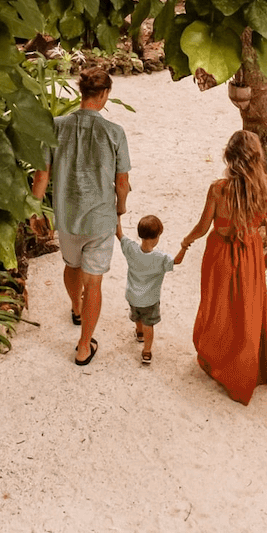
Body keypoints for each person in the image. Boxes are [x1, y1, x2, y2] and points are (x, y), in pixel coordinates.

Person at [30, 62, 130, 366]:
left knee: (71, 264)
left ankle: (76, 307)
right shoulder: (114, 132)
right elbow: (122, 183)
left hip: (67, 215)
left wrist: (34, 211)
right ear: (105, 94)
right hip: (100, 218)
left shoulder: (56, 126)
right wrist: (120, 208)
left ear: (81, 92)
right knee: (94, 283)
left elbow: (41, 176)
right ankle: (84, 347)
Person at [180, 130, 267, 406]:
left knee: (218, 307)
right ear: (256, 157)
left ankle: (218, 358)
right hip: (250, 252)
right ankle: (245, 366)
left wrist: (186, 242)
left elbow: (203, 226)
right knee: (246, 309)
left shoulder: (218, 189)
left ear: (229, 156)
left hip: (220, 252)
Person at [115, 215, 184, 365]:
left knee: (137, 316)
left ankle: (139, 333)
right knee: (149, 324)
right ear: (157, 237)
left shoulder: (131, 248)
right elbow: (177, 261)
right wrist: (184, 247)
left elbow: (119, 233)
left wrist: (117, 216)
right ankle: (146, 351)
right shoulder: (161, 258)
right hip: (150, 300)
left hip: (132, 296)